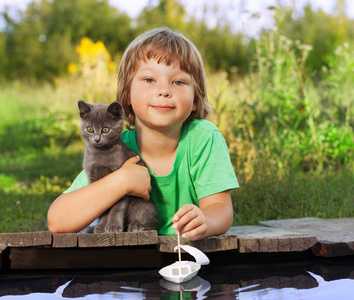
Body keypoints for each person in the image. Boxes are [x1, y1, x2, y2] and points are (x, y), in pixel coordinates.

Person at [47, 27, 239, 241]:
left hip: (184, 258)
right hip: (128, 258)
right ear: (127, 94)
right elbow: (57, 221)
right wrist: (122, 181)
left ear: (195, 100)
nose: (164, 90)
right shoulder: (111, 147)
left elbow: (220, 208)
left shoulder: (203, 138)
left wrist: (206, 220)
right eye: (149, 80)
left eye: (178, 82)